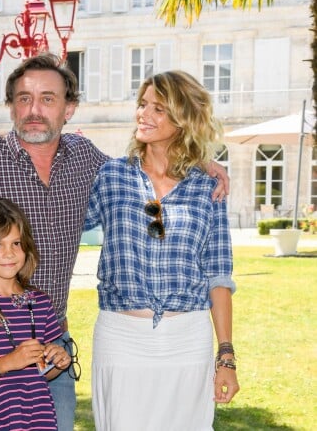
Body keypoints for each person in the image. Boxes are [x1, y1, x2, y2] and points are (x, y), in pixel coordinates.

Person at [0, 54, 230, 430]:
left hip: (51, 342)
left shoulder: (89, 160)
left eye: (48, 98)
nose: (33, 109)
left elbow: (143, 176)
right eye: (23, 98)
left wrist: (201, 163)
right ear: (10, 107)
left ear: (70, 108)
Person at [85, 70, 240, 431]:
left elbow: (218, 274)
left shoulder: (208, 188)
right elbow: (59, 230)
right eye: (142, 105)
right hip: (120, 338)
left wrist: (226, 356)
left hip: (188, 339)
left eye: (158, 109)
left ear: (183, 118)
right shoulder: (110, 177)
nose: (143, 114)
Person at [0, 198, 72, 430]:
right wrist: (7, 363)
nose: (9, 253)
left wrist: (58, 362)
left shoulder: (41, 304)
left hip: (38, 419)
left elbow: (40, 374)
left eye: (16, 243)